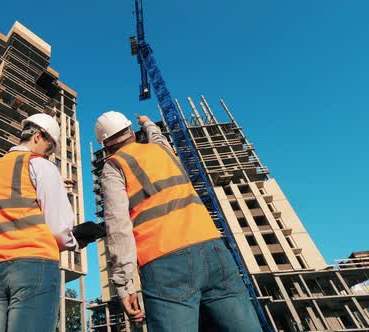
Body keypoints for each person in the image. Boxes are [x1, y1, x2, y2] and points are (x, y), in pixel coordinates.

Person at [95, 111, 262, 331]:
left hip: (164, 261)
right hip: (213, 249)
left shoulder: (114, 166)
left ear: (106, 145)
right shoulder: (162, 149)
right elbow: (158, 137)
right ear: (132, 133)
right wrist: (147, 123)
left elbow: (117, 226)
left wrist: (124, 285)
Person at [0, 113, 83, 332]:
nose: (49, 154)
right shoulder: (40, 165)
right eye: (49, 148)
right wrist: (75, 242)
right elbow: (59, 226)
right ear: (38, 136)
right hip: (34, 264)